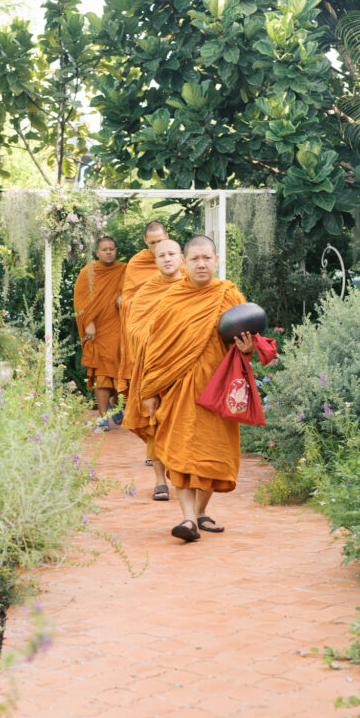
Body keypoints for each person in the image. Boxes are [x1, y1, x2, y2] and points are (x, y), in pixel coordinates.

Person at [140, 235, 254, 542]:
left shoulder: (229, 294)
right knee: (182, 452)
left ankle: (201, 512)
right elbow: (156, 348)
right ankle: (188, 519)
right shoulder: (172, 299)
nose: (201, 264)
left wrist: (246, 349)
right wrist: (149, 390)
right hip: (180, 390)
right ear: (184, 263)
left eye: (207, 258)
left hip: (219, 390)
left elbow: (246, 341)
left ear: (216, 260)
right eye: (194, 259)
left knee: (214, 457)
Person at [122, 237, 184, 500]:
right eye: (161, 255)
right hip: (154, 368)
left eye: (172, 254)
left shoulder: (193, 288)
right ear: (155, 260)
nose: (167, 259)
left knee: (183, 425)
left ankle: (183, 479)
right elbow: (133, 330)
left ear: (181, 257)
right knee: (155, 425)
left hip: (184, 368)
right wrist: (159, 339)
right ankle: (160, 481)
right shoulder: (147, 291)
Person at [73, 235, 127, 429]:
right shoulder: (88, 272)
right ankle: (103, 416)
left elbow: (133, 291)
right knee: (102, 373)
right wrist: (88, 322)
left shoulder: (124, 269)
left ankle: (115, 404)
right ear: (97, 252)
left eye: (112, 249)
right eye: (104, 249)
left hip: (120, 327)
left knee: (120, 370)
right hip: (98, 329)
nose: (109, 252)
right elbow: (80, 300)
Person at [116, 220, 169, 395]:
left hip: (168, 325)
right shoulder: (137, 262)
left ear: (167, 237)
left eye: (160, 241)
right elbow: (127, 299)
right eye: (152, 242)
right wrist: (144, 305)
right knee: (144, 372)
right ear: (145, 241)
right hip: (142, 329)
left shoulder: (176, 259)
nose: (156, 246)